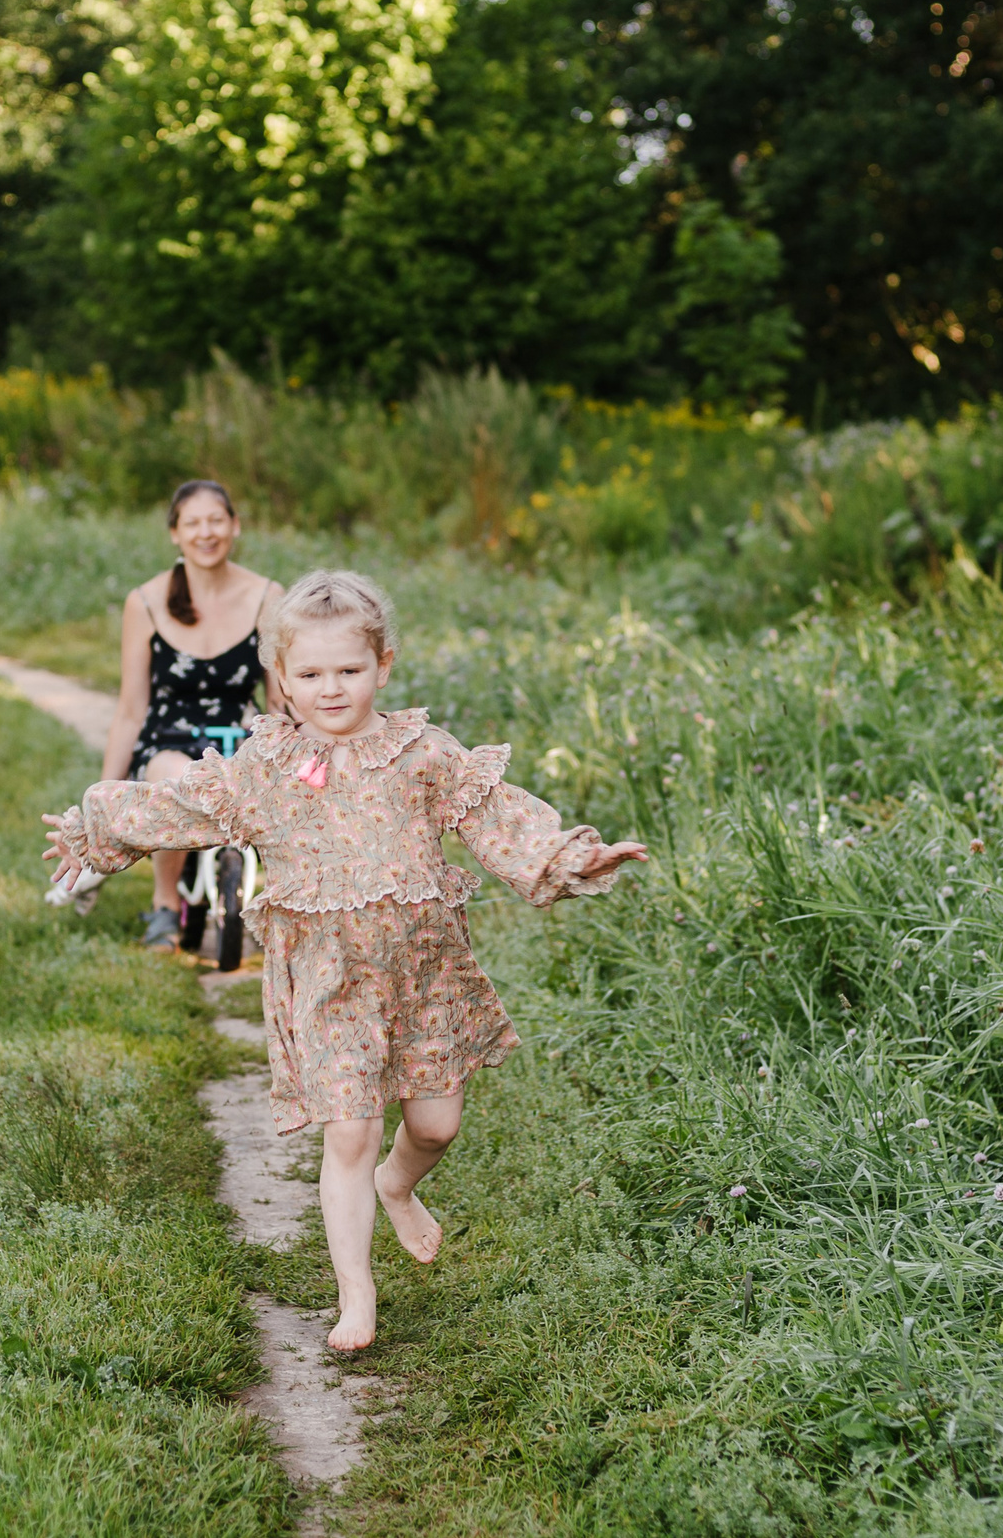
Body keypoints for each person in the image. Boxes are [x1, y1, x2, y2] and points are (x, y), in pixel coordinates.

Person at [44, 570, 647, 1352]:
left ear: (384, 666)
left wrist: (572, 860)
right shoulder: (267, 766)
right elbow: (185, 803)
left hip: (424, 973)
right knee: (350, 1133)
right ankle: (356, 1294)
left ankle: (399, 1184)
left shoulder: (422, 754)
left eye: (350, 671)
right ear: (283, 680)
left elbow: (498, 819)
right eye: (311, 674)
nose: (332, 689)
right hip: (327, 979)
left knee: (435, 1125)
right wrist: (100, 827)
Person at [97, 479, 284, 951]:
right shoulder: (145, 602)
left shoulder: (267, 596)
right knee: (178, 779)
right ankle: (164, 905)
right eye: (193, 522)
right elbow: (130, 708)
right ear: (175, 534)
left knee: (276, 788)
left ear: (235, 526)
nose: (206, 532)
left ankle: (285, 901)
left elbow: (280, 696)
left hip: (241, 732)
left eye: (216, 520)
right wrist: (105, 796)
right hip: (170, 737)